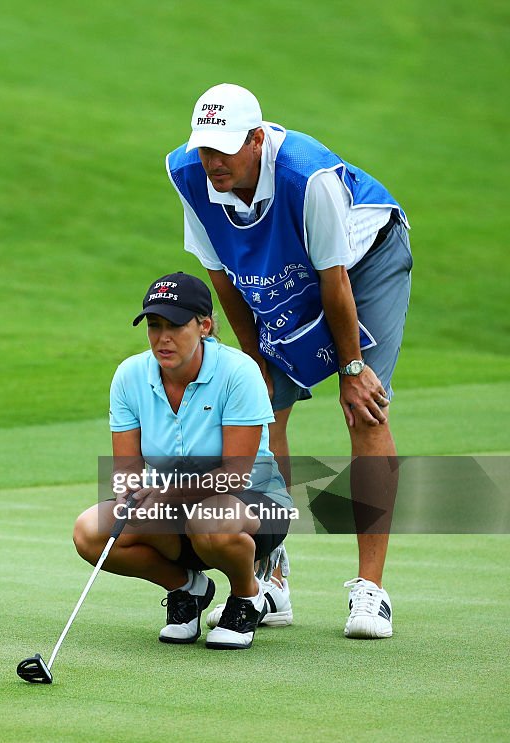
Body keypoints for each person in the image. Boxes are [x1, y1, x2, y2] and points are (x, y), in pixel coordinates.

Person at [165, 83, 411, 639]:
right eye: (205, 149)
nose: (213, 163)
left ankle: (371, 593)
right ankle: (270, 573)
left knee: (366, 408)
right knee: (263, 406)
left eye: (225, 149)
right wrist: (253, 363)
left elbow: (335, 277)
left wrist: (350, 370)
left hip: (363, 261)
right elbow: (222, 276)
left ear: (256, 139)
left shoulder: (309, 177)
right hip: (282, 268)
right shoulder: (189, 174)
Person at [73, 272, 292, 650]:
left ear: (204, 326)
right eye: (155, 326)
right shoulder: (130, 376)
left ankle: (247, 596)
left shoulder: (239, 373)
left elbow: (235, 477)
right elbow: (126, 471)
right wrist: (130, 493)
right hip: (174, 509)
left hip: (252, 504)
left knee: (210, 519)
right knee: (90, 532)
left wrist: (162, 496)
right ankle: (186, 588)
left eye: (175, 325)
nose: (163, 337)